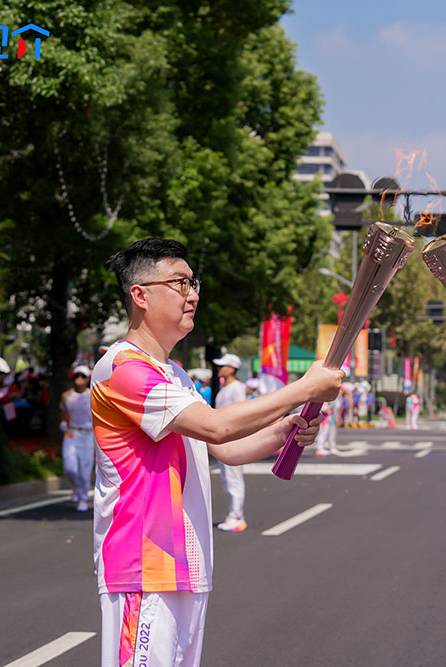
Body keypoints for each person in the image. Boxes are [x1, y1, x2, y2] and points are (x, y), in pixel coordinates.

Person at [90, 238, 343, 667]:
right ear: (140, 295)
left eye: (193, 283)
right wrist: (303, 388)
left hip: (186, 566)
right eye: (179, 282)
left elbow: (224, 448)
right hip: (143, 568)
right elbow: (217, 426)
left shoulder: (174, 375)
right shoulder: (123, 370)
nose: (193, 294)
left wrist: (285, 430)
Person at [212, 352, 248, 532]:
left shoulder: (237, 388)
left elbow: (241, 413)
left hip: (233, 440)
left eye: (223, 366)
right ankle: (233, 514)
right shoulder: (225, 388)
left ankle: (237, 516)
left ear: (232, 368)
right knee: (227, 478)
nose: (220, 369)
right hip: (223, 440)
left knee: (234, 478)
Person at [60, 365, 95, 511]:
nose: (79, 379)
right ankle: (76, 486)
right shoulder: (67, 396)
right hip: (72, 433)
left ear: (87, 379)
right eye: (77, 376)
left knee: (85, 469)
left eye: (82, 376)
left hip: (88, 435)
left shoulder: (93, 395)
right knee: (70, 468)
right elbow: (62, 410)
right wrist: (63, 422)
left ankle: (84, 498)